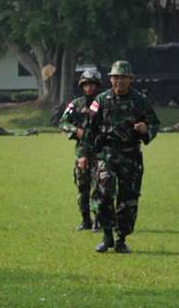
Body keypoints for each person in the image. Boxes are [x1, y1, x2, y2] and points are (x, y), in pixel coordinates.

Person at [82, 60, 160, 254]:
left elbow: (154, 123)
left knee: (128, 199)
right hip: (106, 154)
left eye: (123, 78)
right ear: (110, 79)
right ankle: (106, 234)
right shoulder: (100, 100)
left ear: (130, 80)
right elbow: (89, 130)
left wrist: (145, 130)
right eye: (116, 77)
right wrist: (85, 154)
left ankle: (121, 239)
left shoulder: (140, 100)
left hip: (130, 156)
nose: (119, 81)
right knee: (104, 192)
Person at [59, 68, 103, 231]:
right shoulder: (76, 104)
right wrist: (75, 130)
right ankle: (86, 220)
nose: (89, 88)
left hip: (101, 152)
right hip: (82, 153)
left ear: (98, 86)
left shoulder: (104, 102)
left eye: (92, 84)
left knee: (100, 188)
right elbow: (63, 122)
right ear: (82, 86)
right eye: (86, 85)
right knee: (82, 188)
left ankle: (99, 220)